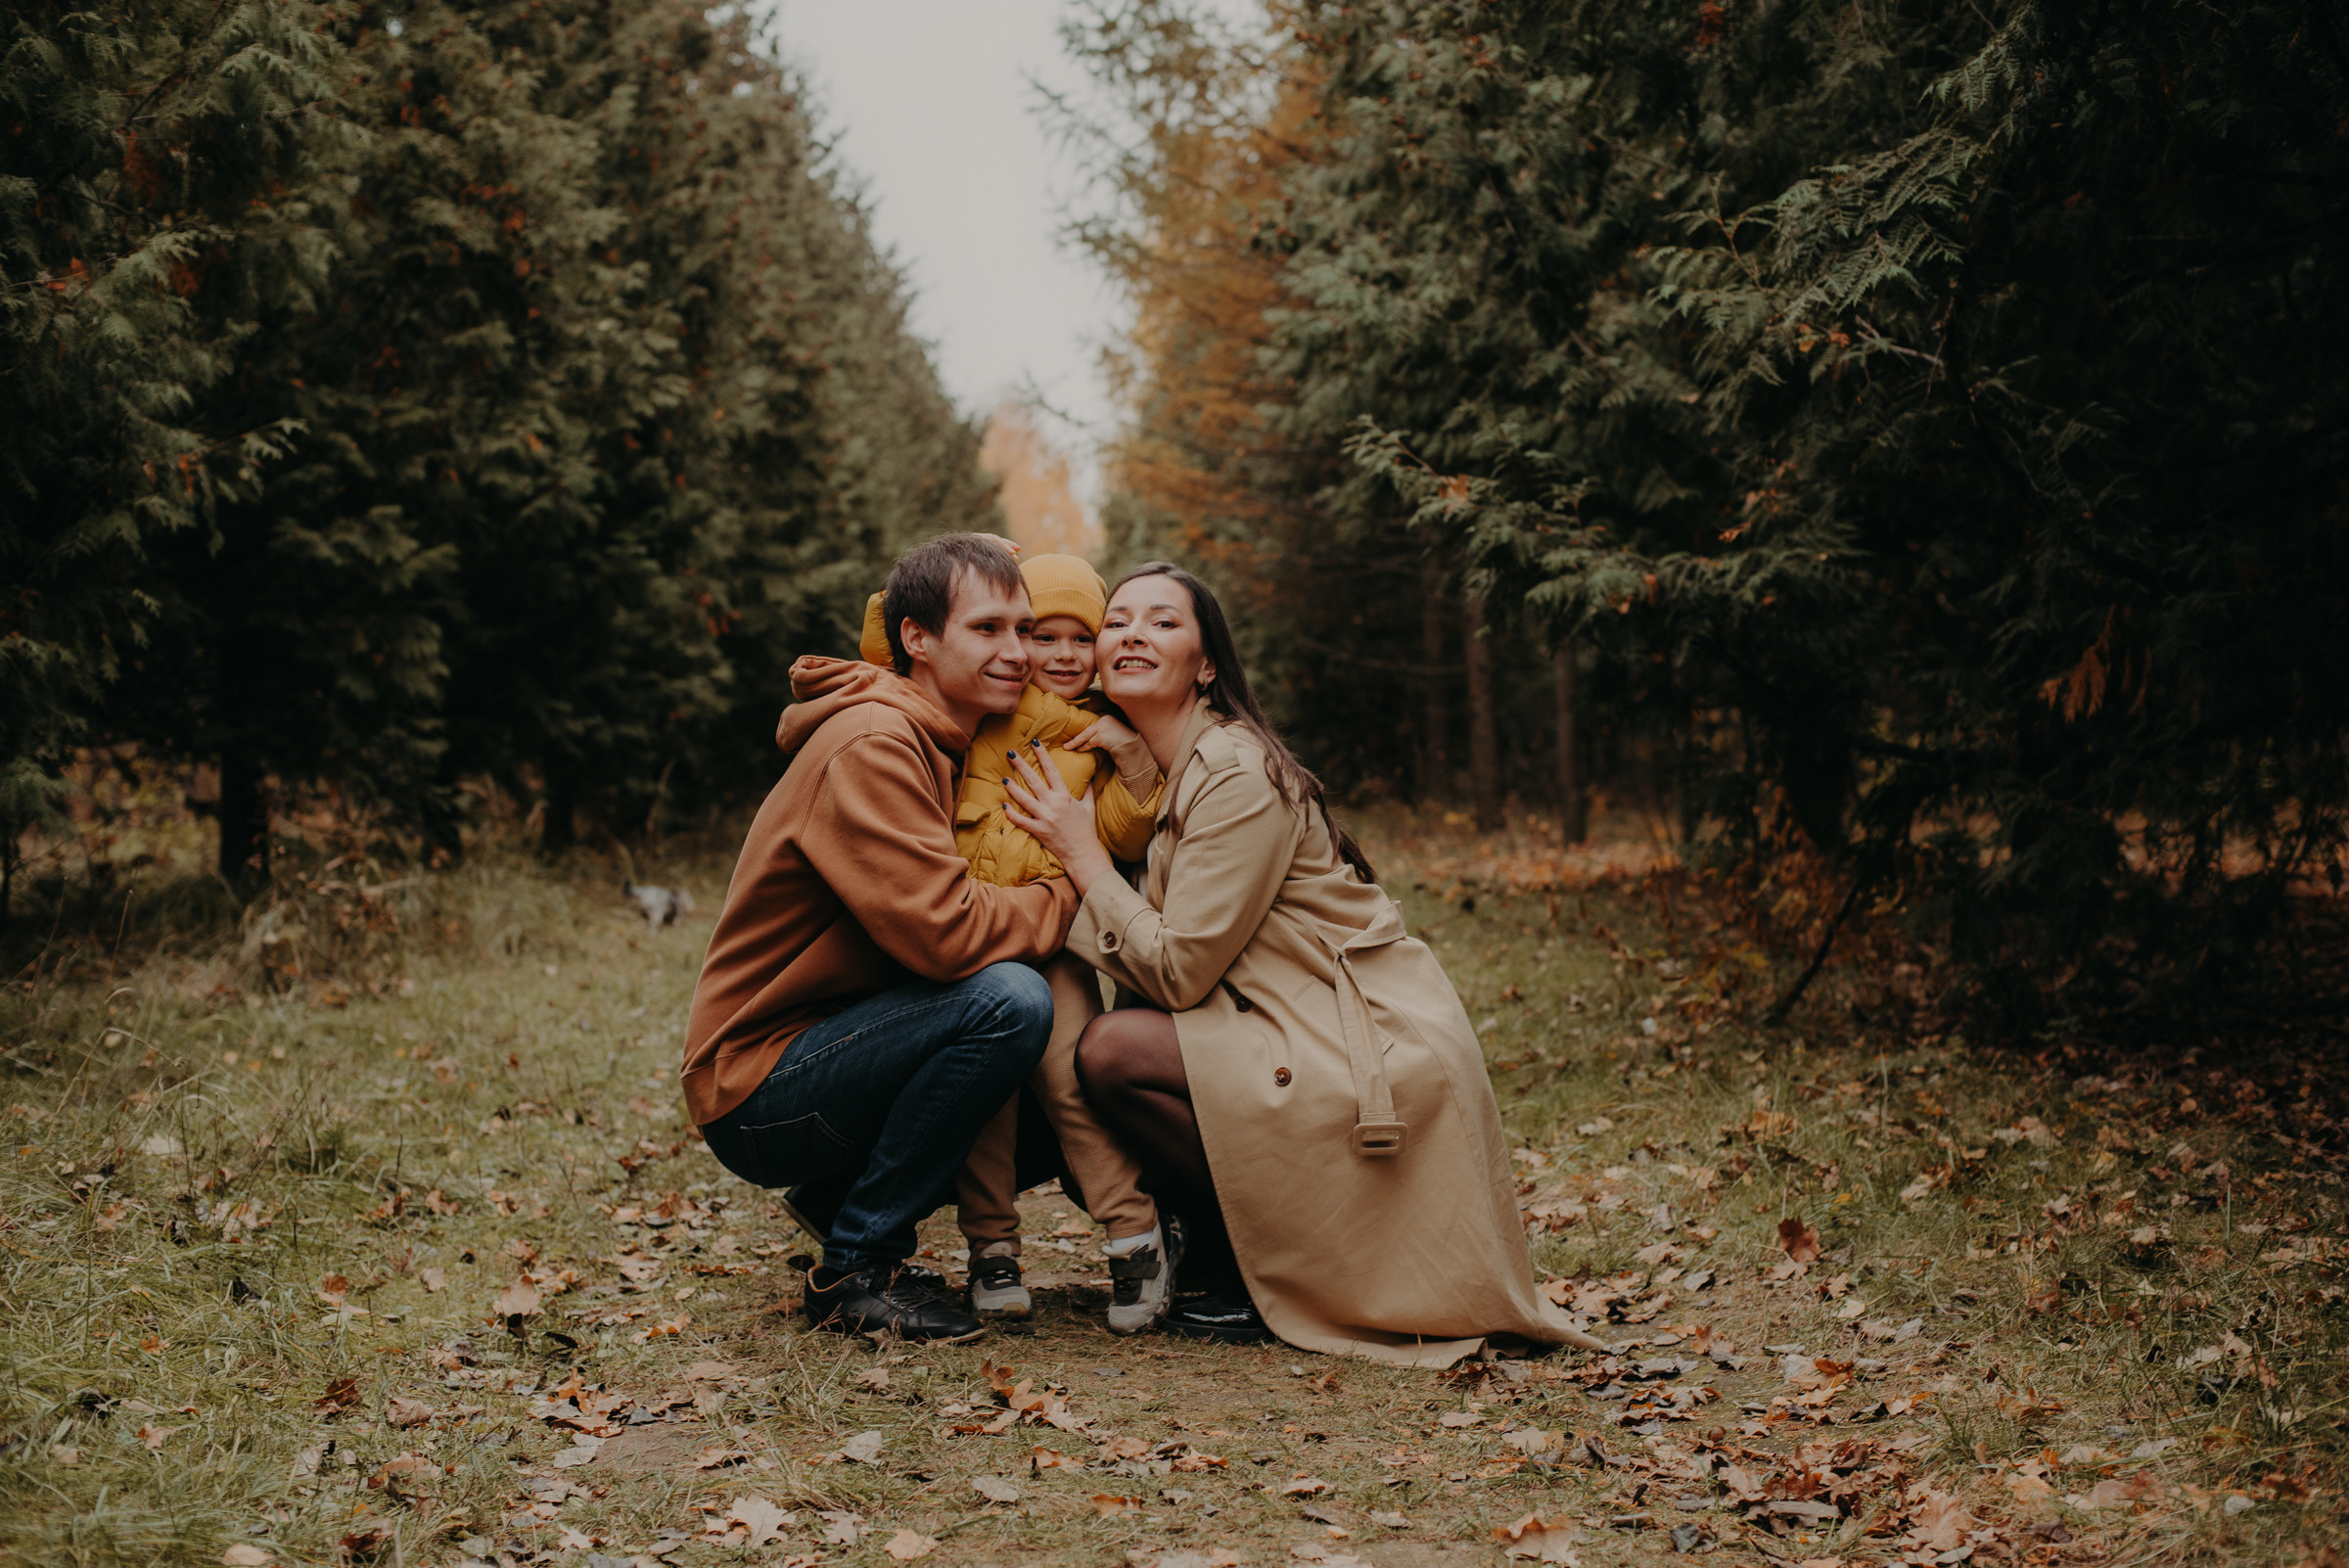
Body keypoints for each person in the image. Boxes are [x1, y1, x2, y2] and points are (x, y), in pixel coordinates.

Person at [1003, 562, 1606, 1364]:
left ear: (1207, 663)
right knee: (1068, 1055)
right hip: (1272, 1014)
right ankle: (1200, 1247)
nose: (1131, 634)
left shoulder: (1235, 772)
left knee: (1112, 1054)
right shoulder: (1147, 769)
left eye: (1162, 621)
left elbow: (1180, 970)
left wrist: (1082, 861)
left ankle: (1234, 1269)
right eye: (1117, 622)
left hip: (1350, 1034)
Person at [682, 532, 1076, 1342]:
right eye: (988, 629)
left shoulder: (945, 741)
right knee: (1009, 1001)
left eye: (1023, 630)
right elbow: (950, 937)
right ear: (917, 639)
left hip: (831, 1049)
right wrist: (1075, 888)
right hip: (758, 1086)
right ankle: (857, 1269)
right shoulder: (875, 743)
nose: (1018, 652)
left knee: (1073, 1065)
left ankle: (840, 1202)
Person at [834, 552, 1181, 1333]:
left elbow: (1126, 833)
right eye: (1039, 634)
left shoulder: (1102, 731)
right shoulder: (986, 702)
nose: (1057, 654)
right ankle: (992, 1250)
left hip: (1049, 936)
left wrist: (1127, 757)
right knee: (981, 1096)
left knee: (1067, 1080)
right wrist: (974, 570)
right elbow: (885, 631)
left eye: (1076, 638)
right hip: (971, 931)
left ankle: (1133, 1235)